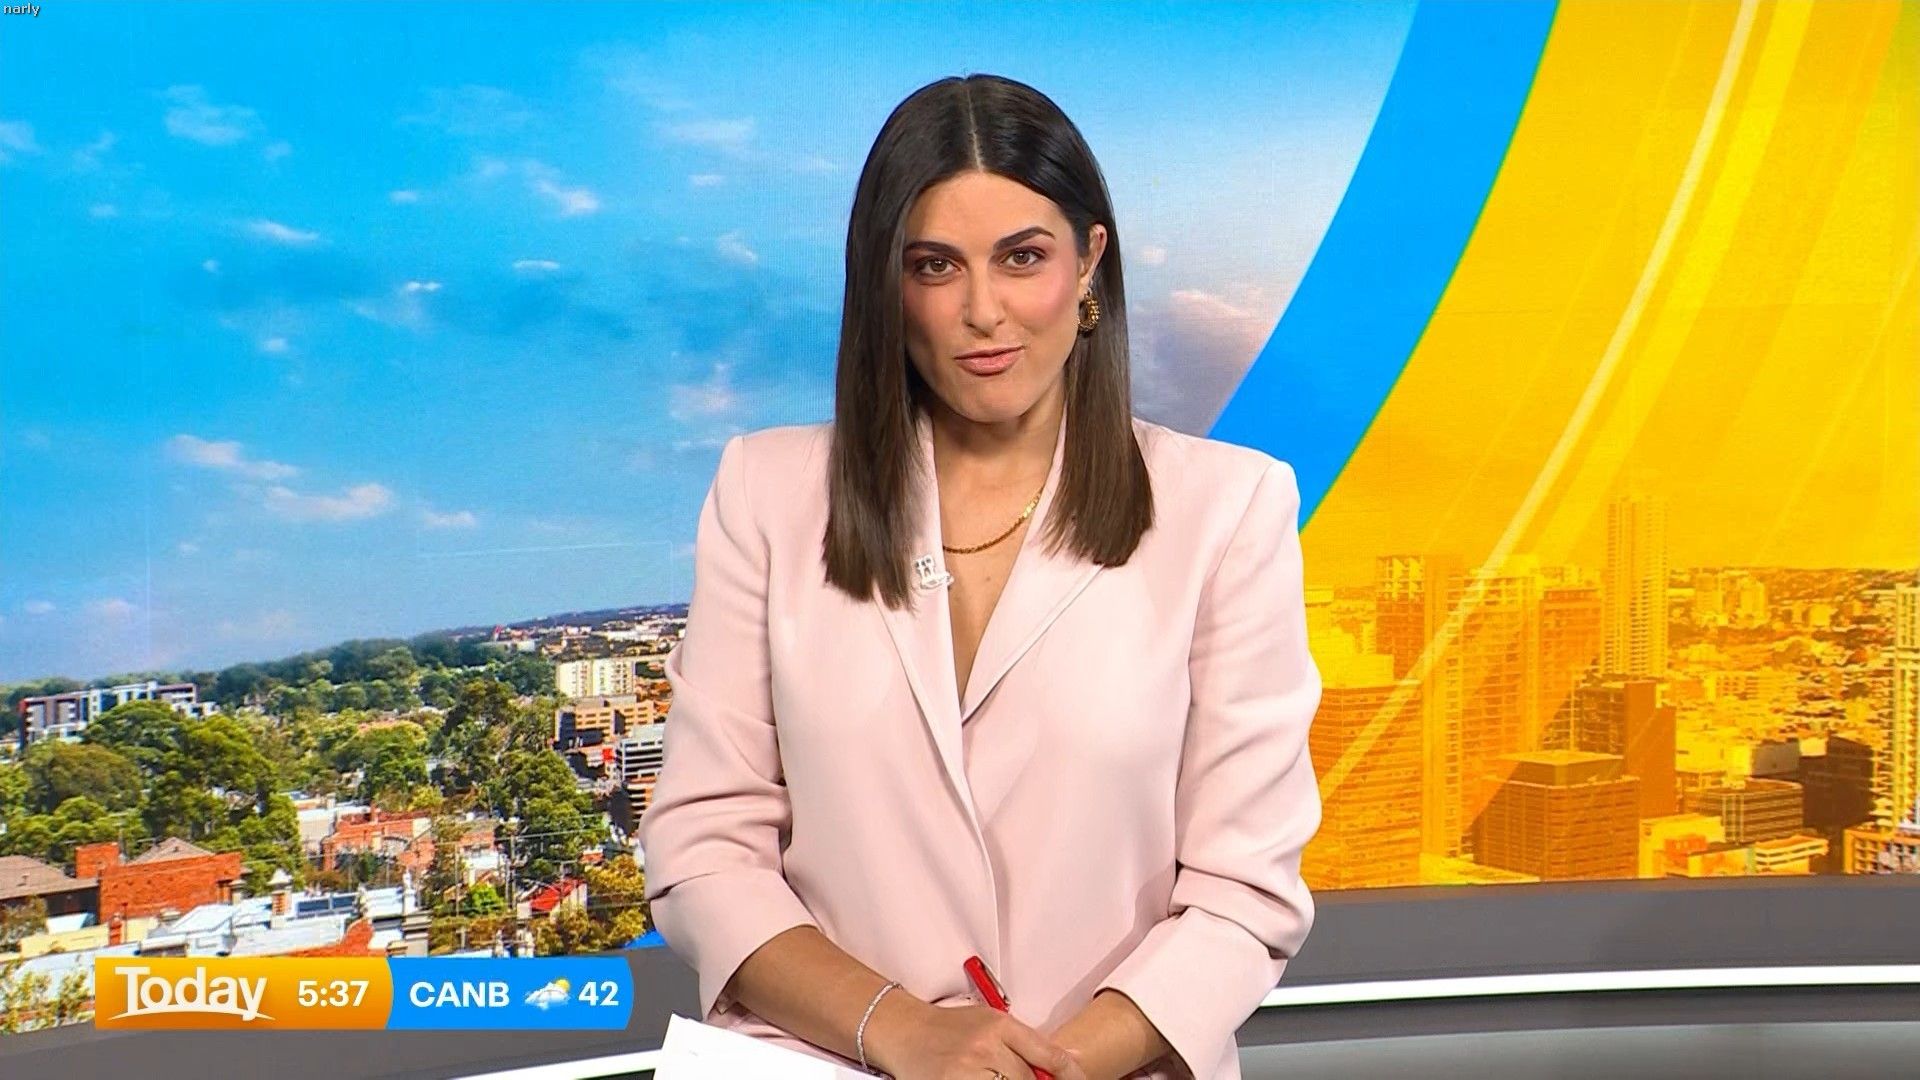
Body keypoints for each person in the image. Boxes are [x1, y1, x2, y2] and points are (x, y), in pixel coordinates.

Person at [636, 73, 1322, 1080]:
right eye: (935, 266)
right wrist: (905, 1032)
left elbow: (1243, 893)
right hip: (824, 1059)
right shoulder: (766, 493)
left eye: (1022, 258)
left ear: (1089, 264)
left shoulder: (1229, 509)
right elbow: (704, 850)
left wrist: (1051, 1067)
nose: (982, 311)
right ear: (886, 283)